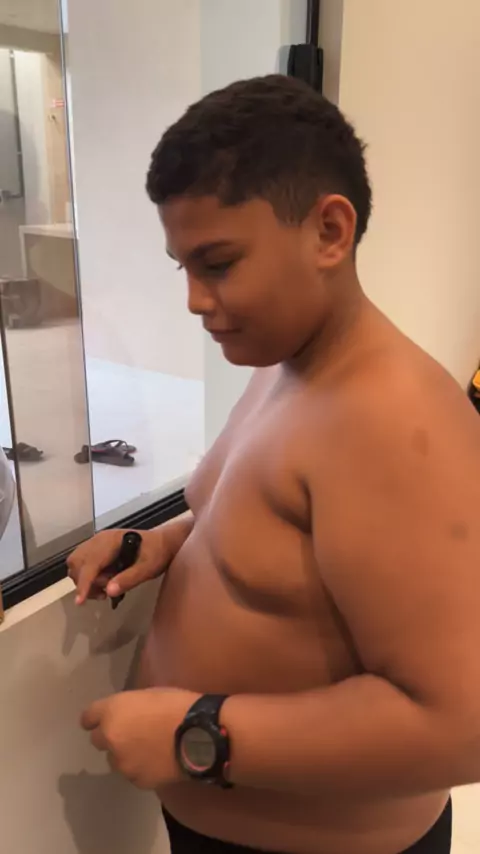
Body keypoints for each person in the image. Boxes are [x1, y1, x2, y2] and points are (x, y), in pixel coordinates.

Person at [67, 75, 480, 854]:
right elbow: (276, 531)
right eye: (183, 268)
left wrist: (197, 735)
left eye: (218, 264)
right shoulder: (287, 364)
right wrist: (166, 543)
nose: (194, 300)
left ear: (329, 232)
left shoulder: (393, 423)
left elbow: (464, 726)